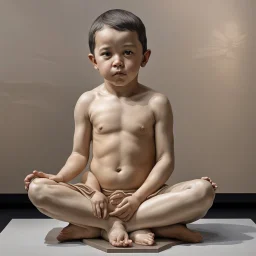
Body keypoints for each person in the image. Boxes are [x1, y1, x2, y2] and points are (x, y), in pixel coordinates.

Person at [24, 9, 218, 247]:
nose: (117, 62)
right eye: (107, 54)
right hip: (97, 198)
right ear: (94, 61)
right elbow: (79, 154)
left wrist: (137, 198)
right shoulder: (88, 101)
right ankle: (130, 224)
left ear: (144, 58)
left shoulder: (156, 102)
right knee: (38, 190)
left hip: (147, 196)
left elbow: (165, 160)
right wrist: (59, 177)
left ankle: (101, 225)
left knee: (203, 191)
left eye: (127, 52)